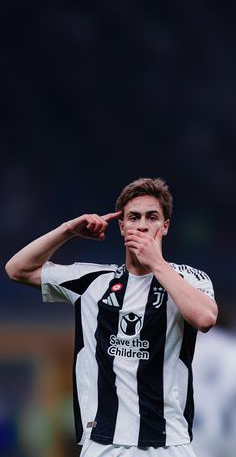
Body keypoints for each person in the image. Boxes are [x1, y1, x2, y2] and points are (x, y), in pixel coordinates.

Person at [5, 177, 218, 457]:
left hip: (169, 444)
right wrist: (68, 231)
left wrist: (156, 263)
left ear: (165, 226)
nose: (142, 225)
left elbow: (205, 318)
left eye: (152, 217)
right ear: (121, 226)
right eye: (133, 217)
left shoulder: (188, 278)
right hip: (103, 445)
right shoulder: (93, 280)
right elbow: (16, 269)